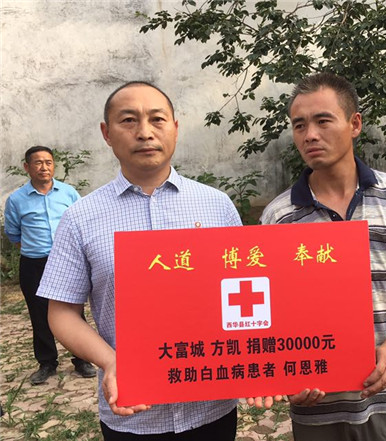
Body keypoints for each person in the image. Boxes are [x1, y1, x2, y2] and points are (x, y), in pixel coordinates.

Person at [36, 81, 241, 440]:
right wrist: (111, 361)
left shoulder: (217, 206)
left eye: (157, 119)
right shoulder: (81, 218)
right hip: (132, 413)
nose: (145, 132)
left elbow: (243, 290)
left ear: (175, 128)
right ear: (107, 133)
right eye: (129, 120)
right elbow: (62, 312)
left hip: (212, 405)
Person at [257, 73, 386, 441]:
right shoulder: (279, 216)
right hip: (317, 401)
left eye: (323, 121)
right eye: (299, 125)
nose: (310, 135)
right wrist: (287, 376)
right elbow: (272, 309)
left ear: (355, 124)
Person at [4, 146, 97, 385]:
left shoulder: (68, 193)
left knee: (74, 310)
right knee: (39, 313)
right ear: (27, 167)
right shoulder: (16, 200)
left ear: (53, 165)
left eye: (48, 162)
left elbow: (82, 222)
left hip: (67, 261)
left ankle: (82, 359)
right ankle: (47, 362)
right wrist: (36, 250)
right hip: (34, 263)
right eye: (38, 163)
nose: (44, 167)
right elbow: (13, 233)